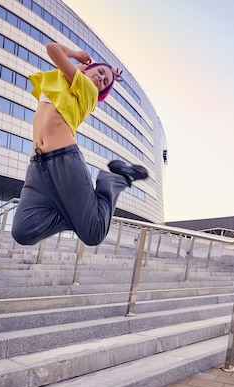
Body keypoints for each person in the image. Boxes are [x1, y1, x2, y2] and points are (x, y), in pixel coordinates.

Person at [11, 42, 148, 246]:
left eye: (105, 82)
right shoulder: (60, 81)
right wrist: (81, 62)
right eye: (101, 72)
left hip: (63, 159)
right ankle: (72, 212)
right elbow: (55, 52)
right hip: (37, 166)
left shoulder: (87, 90)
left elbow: (53, 50)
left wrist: (76, 54)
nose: (101, 79)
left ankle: (115, 179)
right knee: (23, 230)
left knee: (94, 233)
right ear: (87, 67)